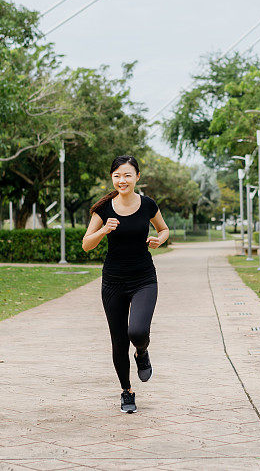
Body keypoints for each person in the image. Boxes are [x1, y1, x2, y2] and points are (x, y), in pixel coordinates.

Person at [82, 155, 169, 413]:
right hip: (113, 282)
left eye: (128, 175)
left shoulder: (148, 205)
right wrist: (103, 230)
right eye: (118, 175)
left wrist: (159, 240)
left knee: (138, 332)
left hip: (143, 278)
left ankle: (142, 352)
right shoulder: (104, 209)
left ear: (137, 177)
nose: (123, 180)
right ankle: (127, 391)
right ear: (112, 178)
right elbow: (86, 244)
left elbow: (164, 229)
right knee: (119, 341)